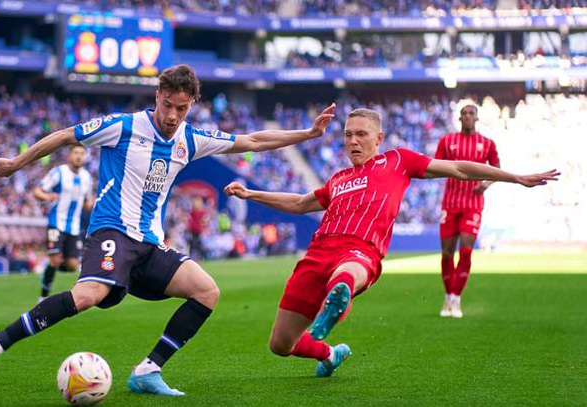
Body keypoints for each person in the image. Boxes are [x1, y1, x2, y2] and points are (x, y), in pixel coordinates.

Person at [0, 64, 336, 396]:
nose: (172, 115)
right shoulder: (122, 126)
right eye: (167, 105)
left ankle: (148, 370)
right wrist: (17, 163)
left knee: (206, 291)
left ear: (190, 106)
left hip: (149, 244)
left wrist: (307, 133)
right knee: (87, 295)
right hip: (111, 231)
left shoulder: (190, 138)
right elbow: (65, 135)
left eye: (181, 108)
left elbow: (252, 140)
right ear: (157, 97)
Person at [224, 108, 558, 378]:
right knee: (280, 344)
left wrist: (514, 177)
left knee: (346, 273)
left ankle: (338, 296)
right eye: (348, 135)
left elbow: (456, 167)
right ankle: (329, 353)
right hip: (316, 254)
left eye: (361, 134)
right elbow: (299, 203)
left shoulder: (398, 161)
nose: (353, 141)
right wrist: (252, 193)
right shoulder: (338, 179)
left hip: (360, 250)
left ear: (379, 138)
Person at [435, 104, 499, 318]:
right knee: (446, 253)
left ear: (477, 118)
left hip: (472, 205)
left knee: (466, 250)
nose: (468, 117)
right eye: (464, 114)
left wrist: (486, 184)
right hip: (450, 204)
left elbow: (496, 170)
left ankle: (456, 298)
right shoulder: (447, 141)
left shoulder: (487, 144)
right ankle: (447, 296)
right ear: (460, 118)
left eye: (471, 113)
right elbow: (435, 165)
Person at [34, 144, 93, 302]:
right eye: (76, 153)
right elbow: (37, 191)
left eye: (82, 153)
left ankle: (49, 268)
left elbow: (88, 202)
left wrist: (95, 203)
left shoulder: (87, 177)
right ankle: (43, 297)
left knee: (73, 265)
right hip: (56, 223)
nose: (79, 156)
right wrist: (47, 197)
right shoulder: (58, 172)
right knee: (55, 259)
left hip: (74, 227)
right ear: (69, 155)